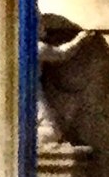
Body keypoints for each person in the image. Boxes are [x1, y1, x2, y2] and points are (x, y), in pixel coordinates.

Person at [37, 18, 91, 146]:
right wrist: (80, 39)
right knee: (50, 130)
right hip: (30, 91)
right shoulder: (35, 47)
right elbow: (61, 54)